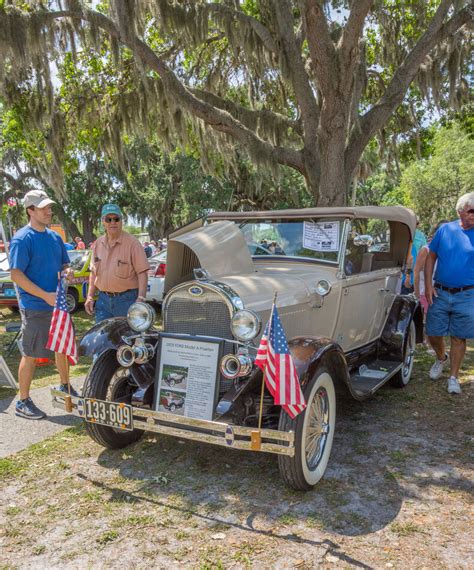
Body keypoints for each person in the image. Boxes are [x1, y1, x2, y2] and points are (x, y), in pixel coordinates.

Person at [10, 190, 78, 420]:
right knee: (30, 354)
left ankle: (64, 386)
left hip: (57, 305)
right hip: (35, 306)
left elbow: (63, 264)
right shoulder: (22, 239)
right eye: (43, 208)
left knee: (61, 347)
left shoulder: (55, 237)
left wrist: (67, 271)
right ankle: (23, 402)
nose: (49, 211)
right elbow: (17, 276)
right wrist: (44, 295)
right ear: (30, 210)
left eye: (49, 207)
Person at [425, 192, 474, 395]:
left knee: (458, 336)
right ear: (460, 211)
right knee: (433, 333)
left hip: (467, 294)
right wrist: (428, 285)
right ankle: (440, 358)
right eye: (471, 211)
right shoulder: (445, 230)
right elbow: (431, 257)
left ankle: (453, 377)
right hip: (441, 292)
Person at [84, 204, 150, 323]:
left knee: (126, 339)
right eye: (108, 219)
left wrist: (141, 298)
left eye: (116, 219)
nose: (112, 222)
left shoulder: (132, 243)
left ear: (121, 221)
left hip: (126, 301)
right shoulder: (98, 244)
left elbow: (142, 272)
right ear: (103, 222)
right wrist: (89, 296)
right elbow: (93, 273)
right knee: (102, 338)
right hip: (103, 301)